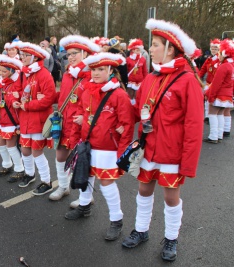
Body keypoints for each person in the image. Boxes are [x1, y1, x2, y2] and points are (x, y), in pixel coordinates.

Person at [121, 19, 204, 262]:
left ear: (170, 49)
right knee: (144, 189)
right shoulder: (150, 77)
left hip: (172, 152)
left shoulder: (187, 80)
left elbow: (194, 125)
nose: (152, 49)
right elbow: (138, 111)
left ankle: (171, 238)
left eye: (155, 45)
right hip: (148, 149)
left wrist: (187, 164)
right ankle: (141, 230)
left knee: (170, 196)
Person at [65, 52, 134, 242]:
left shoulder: (119, 94)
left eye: (101, 69)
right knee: (85, 175)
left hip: (108, 148)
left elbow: (127, 125)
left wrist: (122, 154)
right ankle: (84, 206)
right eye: (94, 69)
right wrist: (74, 138)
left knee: (106, 184)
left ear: (111, 70)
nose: (96, 73)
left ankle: (116, 219)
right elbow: (79, 114)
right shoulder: (86, 89)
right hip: (88, 143)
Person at [49, 35, 100, 202]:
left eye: (74, 53)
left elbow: (96, 102)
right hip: (64, 122)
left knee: (81, 160)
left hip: (80, 125)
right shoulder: (67, 74)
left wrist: (85, 117)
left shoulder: (91, 75)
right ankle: (63, 186)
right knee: (60, 155)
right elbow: (63, 97)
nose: (70, 57)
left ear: (84, 53)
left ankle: (85, 197)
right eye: (68, 54)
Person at [13, 41, 56, 195]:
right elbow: (16, 91)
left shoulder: (44, 74)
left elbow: (48, 99)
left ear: (34, 57)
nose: (22, 58)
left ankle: (46, 181)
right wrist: (16, 100)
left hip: (38, 119)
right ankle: (29, 174)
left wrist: (28, 105)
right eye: (22, 55)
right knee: (25, 149)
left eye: (25, 55)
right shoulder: (23, 73)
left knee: (36, 151)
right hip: (25, 118)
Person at [0, 54, 25, 181]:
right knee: (0, 144)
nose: (1, 73)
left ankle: (19, 169)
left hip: (12, 120)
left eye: (4, 71)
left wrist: (13, 99)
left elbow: (19, 97)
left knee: (11, 146)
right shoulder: (2, 83)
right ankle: (6, 164)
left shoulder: (16, 83)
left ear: (12, 71)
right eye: (0, 71)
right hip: (2, 119)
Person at [204, 39, 234, 143]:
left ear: (224, 53)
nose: (218, 54)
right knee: (220, 115)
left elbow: (216, 84)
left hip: (219, 95)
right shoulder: (230, 66)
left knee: (212, 114)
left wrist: (210, 96)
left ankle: (213, 136)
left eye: (220, 52)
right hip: (227, 96)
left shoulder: (223, 67)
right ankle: (219, 135)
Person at [199, 39, 221, 122]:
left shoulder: (220, 60)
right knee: (206, 99)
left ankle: (212, 116)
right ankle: (207, 116)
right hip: (208, 83)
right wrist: (197, 77)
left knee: (213, 100)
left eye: (215, 48)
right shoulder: (209, 59)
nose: (213, 50)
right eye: (212, 48)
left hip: (216, 83)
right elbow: (203, 69)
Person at [126, 38, 148, 105]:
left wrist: (145, 81)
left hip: (139, 81)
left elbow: (145, 71)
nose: (139, 51)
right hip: (130, 82)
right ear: (133, 50)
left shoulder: (142, 59)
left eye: (139, 50)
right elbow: (126, 71)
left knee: (137, 96)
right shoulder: (128, 59)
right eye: (137, 50)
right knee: (130, 96)